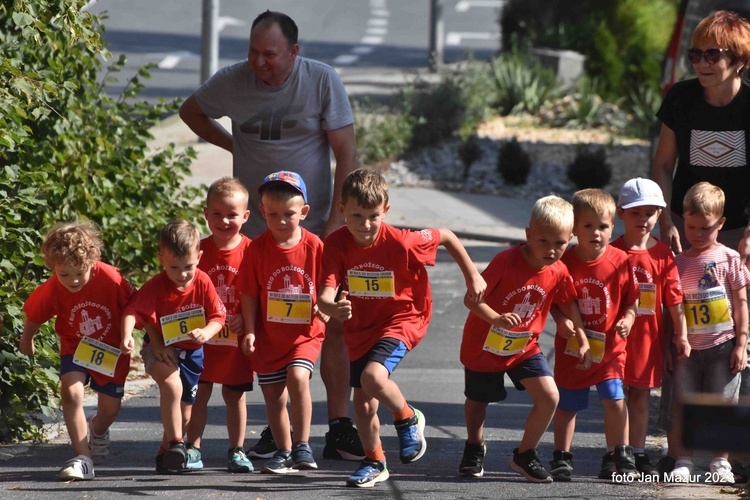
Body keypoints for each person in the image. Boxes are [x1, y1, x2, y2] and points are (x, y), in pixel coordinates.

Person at [179, 9, 362, 461]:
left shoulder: (320, 80)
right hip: (254, 235)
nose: (260, 63)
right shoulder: (233, 80)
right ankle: (276, 428)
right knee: (261, 324)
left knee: (330, 324)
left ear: (294, 53)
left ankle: (339, 425)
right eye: (253, 53)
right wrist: (232, 143)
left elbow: (346, 154)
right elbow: (191, 110)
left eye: (271, 55)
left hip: (314, 226)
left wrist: (338, 220)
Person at [317, 168, 486, 488]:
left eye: (373, 216)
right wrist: (331, 308)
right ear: (341, 211)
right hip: (360, 329)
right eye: (357, 216)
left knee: (372, 377)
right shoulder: (336, 244)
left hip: (404, 318)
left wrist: (472, 275)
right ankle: (376, 462)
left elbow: (447, 235)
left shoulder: (403, 241)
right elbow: (324, 295)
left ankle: (407, 417)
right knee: (364, 405)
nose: (365, 226)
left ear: (386, 211)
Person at [651, 10, 750, 481]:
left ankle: (729, 456)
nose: (703, 63)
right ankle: (681, 450)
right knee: (684, 338)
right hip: (688, 232)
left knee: (736, 343)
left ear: (740, 61)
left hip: (738, 233)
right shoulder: (682, 99)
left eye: (714, 54)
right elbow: (663, 165)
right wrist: (666, 220)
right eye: (697, 54)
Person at [458, 194, 592, 484]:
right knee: (478, 401)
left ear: (570, 238)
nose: (552, 250)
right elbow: (470, 301)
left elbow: (565, 301)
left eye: (560, 243)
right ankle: (474, 446)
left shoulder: (558, 270)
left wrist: (575, 330)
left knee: (550, 396)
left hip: (524, 347)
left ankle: (524, 454)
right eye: (543, 241)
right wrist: (495, 318)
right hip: (484, 344)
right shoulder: (505, 261)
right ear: (528, 234)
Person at [19, 222, 136, 481]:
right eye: (64, 274)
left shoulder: (111, 278)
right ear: (54, 268)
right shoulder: (53, 286)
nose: (72, 281)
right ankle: (83, 458)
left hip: (111, 352)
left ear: (93, 262)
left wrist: (141, 336)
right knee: (71, 393)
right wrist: (27, 338)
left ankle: (98, 428)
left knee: (109, 410)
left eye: (79, 273)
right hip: (75, 348)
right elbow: (36, 314)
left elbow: (135, 306)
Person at [121, 220, 226, 474]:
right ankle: (178, 443)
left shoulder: (202, 282)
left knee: (185, 414)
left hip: (192, 353)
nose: (181, 274)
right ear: (161, 259)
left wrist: (206, 332)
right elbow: (132, 312)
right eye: (173, 267)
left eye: (188, 266)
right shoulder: (156, 285)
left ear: (199, 257)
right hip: (159, 350)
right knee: (172, 384)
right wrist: (127, 335)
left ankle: (166, 453)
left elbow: (218, 316)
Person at [549, 189, 640, 482]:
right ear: (574, 228)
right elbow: (554, 302)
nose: (596, 233)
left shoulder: (621, 260)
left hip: (611, 348)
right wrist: (561, 321)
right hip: (573, 349)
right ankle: (562, 457)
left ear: (613, 227)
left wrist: (628, 317)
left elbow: (632, 299)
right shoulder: (564, 263)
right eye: (587, 226)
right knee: (568, 405)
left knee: (615, 400)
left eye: (603, 226)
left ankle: (620, 454)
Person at [238, 171, 326, 474]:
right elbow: (249, 293)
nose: (280, 221)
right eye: (273, 214)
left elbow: (330, 283)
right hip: (268, 337)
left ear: (303, 212)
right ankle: (284, 449)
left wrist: (326, 307)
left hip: (305, 334)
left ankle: (302, 445)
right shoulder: (256, 249)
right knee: (274, 397)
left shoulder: (315, 247)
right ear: (262, 212)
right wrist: (249, 330)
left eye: (289, 214)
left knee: (298, 378)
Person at [669, 182, 749, 484]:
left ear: (722, 224)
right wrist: (672, 343)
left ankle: (720, 462)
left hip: (723, 344)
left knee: (722, 403)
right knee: (685, 402)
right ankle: (684, 459)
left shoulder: (729, 258)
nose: (698, 234)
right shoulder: (678, 263)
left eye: (706, 228)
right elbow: (673, 307)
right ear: (684, 220)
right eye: (691, 227)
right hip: (688, 349)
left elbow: (741, 303)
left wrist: (741, 344)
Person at [611, 178, 690, 479]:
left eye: (649, 213)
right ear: (621, 213)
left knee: (641, 396)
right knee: (616, 397)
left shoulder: (663, 255)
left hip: (648, 339)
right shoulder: (611, 251)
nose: (643, 220)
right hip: (615, 339)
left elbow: (674, 300)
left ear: (659, 215)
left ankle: (638, 451)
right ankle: (616, 452)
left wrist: (680, 335)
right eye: (635, 213)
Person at [183, 177, 254, 473]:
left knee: (234, 395)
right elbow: (182, 286)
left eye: (232, 215)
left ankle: (237, 450)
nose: (224, 221)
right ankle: (193, 448)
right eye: (216, 214)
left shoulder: (253, 250)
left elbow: (259, 292)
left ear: (246, 216)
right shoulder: (196, 250)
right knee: (200, 393)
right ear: (205, 214)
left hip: (235, 340)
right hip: (203, 337)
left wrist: (248, 321)